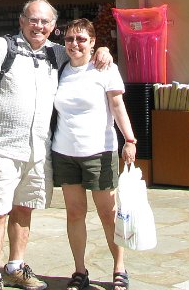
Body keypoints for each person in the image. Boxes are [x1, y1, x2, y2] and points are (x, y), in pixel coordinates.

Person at [0, 0, 113, 290]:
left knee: (24, 209)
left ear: (53, 26)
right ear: (21, 21)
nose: (38, 26)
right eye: (33, 19)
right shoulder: (3, 47)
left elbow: (84, 52)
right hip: (1, 148)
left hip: (38, 151)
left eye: (45, 22)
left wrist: (102, 50)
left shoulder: (57, 53)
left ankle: (15, 266)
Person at [51, 18, 137, 290]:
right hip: (64, 152)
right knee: (75, 213)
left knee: (107, 213)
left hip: (99, 151)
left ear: (92, 42)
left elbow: (117, 105)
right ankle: (80, 270)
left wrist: (130, 140)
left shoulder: (105, 68)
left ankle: (119, 267)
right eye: (69, 39)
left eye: (81, 39)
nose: (74, 44)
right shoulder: (60, 67)